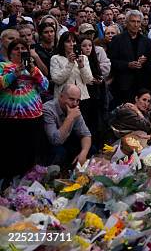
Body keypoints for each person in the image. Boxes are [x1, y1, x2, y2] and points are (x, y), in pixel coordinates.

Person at [0, 39, 49, 181]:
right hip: (8, 118)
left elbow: (45, 86)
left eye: (23, 48)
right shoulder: (3, 66)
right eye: (16, 48)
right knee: (10, 151)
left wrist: (34, 71)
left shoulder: (33, 68)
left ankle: (27, 181)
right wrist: (14, 74)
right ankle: (8, 181)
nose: (20, 51)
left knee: (29, 151)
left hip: (32, 117)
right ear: (10, 53)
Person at [43, 84, 91, 168]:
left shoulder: (74, 108)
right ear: (61, 96)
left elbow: (86, 134)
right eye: (71, 99)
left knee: (88, 148)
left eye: (78, 100)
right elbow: (55, 141)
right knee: (59, 151)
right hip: (48, 145)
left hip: (65, 141)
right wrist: (69, 118)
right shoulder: (48, 109)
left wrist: (83, 154)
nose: (75, 103)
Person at [108, 10, 149, 103]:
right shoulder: (117, 40)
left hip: (141, 85)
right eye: (133, 21)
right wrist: (127, 65)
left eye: (138, 22)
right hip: (122, 86)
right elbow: (111, 61)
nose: (135, 24)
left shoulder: (146, 41)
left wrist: (145, 60)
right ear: (126, 23)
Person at [50, 32, 94, 101]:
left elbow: (88, 80)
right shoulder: (55, 58)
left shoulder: (83, 58)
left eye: (73, 41)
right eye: (68, 41)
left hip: (82, 98)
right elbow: (57, 80)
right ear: (62, 44)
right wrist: (70, 63)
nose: (72, 44)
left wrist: (81, 66)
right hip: (64, 99)